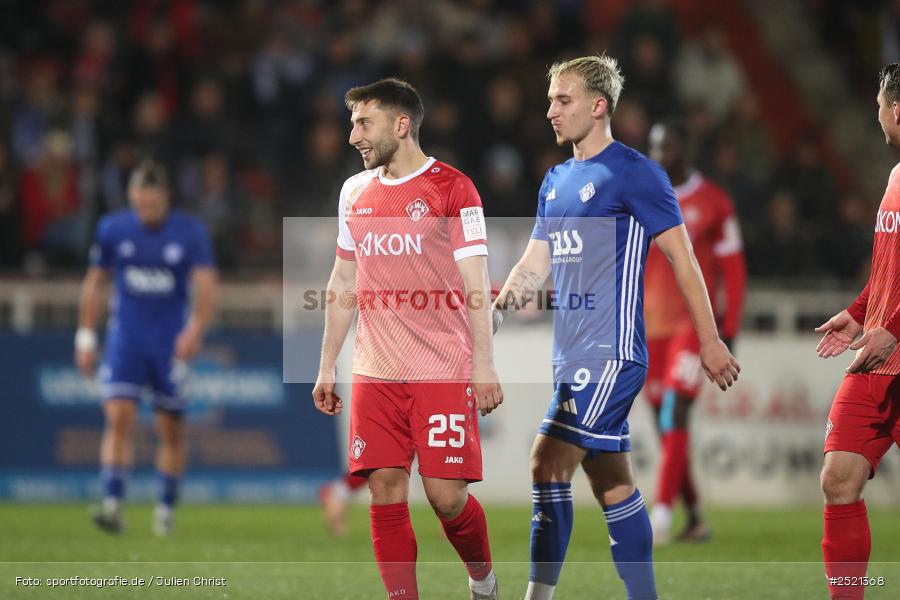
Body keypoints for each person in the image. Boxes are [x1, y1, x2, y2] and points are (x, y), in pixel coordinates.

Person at [492, 55, 739, 600]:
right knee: (613, 483)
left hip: (613, 353)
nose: (550, 111)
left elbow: (684, 258)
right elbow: (535, 264)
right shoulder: (556, 180)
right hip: (571, 357)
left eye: (563, 100)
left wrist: (710, 339)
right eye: (550, 100)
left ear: (598, 106)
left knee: (546, 462)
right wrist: (497, 308)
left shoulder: (635, 173)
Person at [312, 78, 502, 600]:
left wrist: (483, 364)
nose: (353, 136)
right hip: (375, 368)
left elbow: (474, 283)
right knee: (384, 489)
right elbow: (344, 279)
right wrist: (327, 364)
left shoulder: (452, 189)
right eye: (352, 124)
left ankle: (483, 580)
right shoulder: (355, 191)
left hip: (441, 366)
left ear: (402, 125)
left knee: (446, 498)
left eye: (363, 123)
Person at [75, 160, 217, 536]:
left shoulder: (190, 232)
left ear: (165, 198)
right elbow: (95, 282)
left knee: (169, 428)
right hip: (126, 339)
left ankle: (165, 510)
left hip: (170, 344)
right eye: (141, 204)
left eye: (153, 204)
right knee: (118, 417)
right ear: (132, 198)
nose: (146, 210)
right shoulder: (113, 228)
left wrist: (195, 331)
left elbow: (206, 286)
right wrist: (86, 336)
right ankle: (112, 505)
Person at [815, 63, 900, 600]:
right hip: (879, 356)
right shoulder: (896, 177)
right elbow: (888, 272)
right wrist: (859, 311)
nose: (878, 121)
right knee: (838, 479)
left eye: (878, 109)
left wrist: (892, 327)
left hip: (890, 342)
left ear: (897, 110)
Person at [644, 118, 747, 545]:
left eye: (665, 147)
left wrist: (727, 332)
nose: (658, 157)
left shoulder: (715, 202)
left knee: (675, 413)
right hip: (650, 331)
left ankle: (661, 518)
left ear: (683, 148)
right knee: (665, 426)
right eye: (653, 148)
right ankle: (696, 517)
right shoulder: (644, 198)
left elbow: (734, 272)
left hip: (693, 327)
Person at [318, 471, 367, 537]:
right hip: (343, 489)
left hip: (343, 488)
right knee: (336, 518)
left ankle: (340, 535)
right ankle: (340, 535)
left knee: (336, 518)